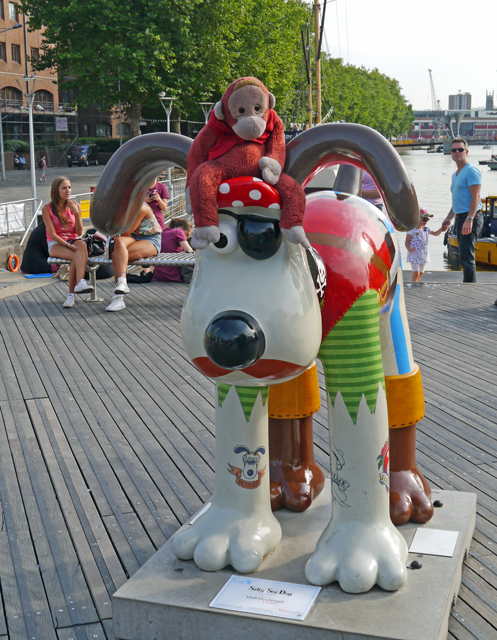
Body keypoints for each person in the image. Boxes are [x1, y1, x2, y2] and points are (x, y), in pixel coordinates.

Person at [42, 176, 93, 308]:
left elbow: (79, 232)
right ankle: (72, 294)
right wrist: (67, 245)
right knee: (77, 254)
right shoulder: (47, 209)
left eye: (69, 187)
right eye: (64, 188)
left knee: (81, 245)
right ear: (56, 190)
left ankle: (80, 283)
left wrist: (77, 214)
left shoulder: (75, 206)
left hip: (73, 240)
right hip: (56, 243)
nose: (68, 190)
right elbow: (52, 234)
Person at [106, 202, 162, 312]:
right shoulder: (124, 206)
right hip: (134, 237)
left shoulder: (141, 208)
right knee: (118, 247)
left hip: (150, 239)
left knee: (116, 256)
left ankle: (118, 297)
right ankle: (121, 286)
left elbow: (126, 231)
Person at [441, 137, 483, 282]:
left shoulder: (471, 170)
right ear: (450, 153)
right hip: (460, 218)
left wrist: (469, 219)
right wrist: (448, 218)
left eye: (460, 149)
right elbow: (458, 200)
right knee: (463, 255)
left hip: (470, 217)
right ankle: (468, 285)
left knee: (466, 256)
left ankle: (469, 289)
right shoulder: (455, 174)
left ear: (467, 151)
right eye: (454, 150)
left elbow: (476, 196)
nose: (457, 152)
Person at [405, 209, 444, 282]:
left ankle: (417, 283)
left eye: (427, 220)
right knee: (416, 273)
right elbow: (407, 242)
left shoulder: (426, 229)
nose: (426, 221)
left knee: (421, 273)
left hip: (423, 254)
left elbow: (435, 233)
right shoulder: (412, 230)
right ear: (417, 218)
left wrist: (441, 230)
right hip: (414, 254)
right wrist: (409, 249)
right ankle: (414, 285)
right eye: (424, 219)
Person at [152, 218, 194, 283]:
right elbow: (189, 250)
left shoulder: (162, 232)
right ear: (182, 228)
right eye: (187, 234)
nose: (186, 238)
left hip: (159, 275)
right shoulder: (179, 231)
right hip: (173, 275)